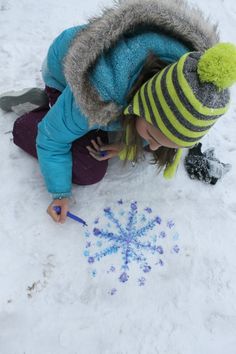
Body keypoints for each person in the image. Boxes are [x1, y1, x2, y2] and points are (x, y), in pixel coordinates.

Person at [1, 0, 235, 224]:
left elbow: (162, 130)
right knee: (88, 169)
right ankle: (33, 118)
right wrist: (59, 192)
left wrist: (127, 145)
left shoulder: (188, 80)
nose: (152, 146)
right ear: (142, 105)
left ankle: (58, 114)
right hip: (68, 79)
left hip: (122, 91)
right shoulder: (99, 93)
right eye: (152, 137)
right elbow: (51, 139)